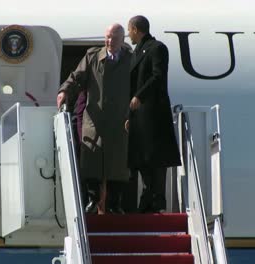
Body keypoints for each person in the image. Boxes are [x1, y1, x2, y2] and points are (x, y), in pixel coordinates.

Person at [57, 24, 131, 214]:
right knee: (91, 161)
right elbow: (76, 77)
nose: (109, 41)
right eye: (107, 37)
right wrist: (64, 90)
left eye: (114, 38)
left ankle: (115, 204)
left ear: (123, 40)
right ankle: (92, 200)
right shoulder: (92, 57)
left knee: (118, 164)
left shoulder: (131, 59)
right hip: (95, 119)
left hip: (119, 120)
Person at [126, 15, 181, 213]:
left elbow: (158, 76)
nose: (128, 35)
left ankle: (156, 201)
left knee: (155, 160)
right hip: (138, 116)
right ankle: (147, 198)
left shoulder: (157, 48)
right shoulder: (136, 51)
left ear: (135, 29)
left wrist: (140, 96)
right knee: (141, 160)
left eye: (129, 30)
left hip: (153, 113)